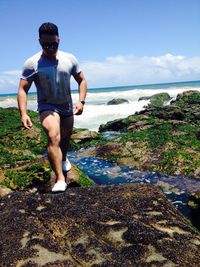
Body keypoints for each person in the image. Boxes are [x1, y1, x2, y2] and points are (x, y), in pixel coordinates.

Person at [17, 22, 87, 192]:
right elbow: (22, 89)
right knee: (53, 136)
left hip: (66, 107)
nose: (49, 47)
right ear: (39, 41)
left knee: (64, 139)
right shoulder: (32, 63)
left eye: (53, 44)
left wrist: (81, 101)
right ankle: (60, 179)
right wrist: (23, 113)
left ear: (59, 39)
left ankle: (63, 160)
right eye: (45, 44)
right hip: (47, 107)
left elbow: (82, 81)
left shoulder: (69, 59)